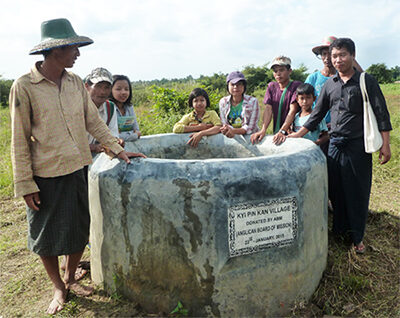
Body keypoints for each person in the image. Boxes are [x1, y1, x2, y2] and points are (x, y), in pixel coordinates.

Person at [9, 18, 145, 315]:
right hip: (45, 173)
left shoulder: (73, 83)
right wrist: (25, 183)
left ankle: (69, 275)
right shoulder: (25, 86)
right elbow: (18, 139)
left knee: (80, 228)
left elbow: (93, 121)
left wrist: (116, 149)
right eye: (74, 48)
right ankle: (58, 285)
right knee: (46, 236)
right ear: (55, 50)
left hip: (78, 167)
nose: (78, 54)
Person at [288, 38, 392, 254]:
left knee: (357, 190)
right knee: (336, 189)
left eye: (342, 55)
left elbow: (381, 112)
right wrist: (297, 134)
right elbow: (316, 115)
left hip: (358, 145)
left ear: (352, 55)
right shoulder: (329, 84)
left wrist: (386, 144)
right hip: (335, 144)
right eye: (334, 56)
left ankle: (357, 237)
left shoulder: (365, 81)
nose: (337, 60)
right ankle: (340, 231)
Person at [250, 56, 302, 145]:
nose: (278, 73)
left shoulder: (296, 86)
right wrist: (263, 130)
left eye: (281, 70)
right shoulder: (271, 87)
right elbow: (268, 109)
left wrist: (283, 131)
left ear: (289, 71)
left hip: (292, 131)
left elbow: (292, 110)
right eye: (275, 71)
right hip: (277, 131)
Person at [85, 67, 124, 153]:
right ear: (87, 87)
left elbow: (112, 134)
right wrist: (91, 147)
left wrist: (117, 142)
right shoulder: (76, 107)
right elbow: (65, 142)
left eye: (106, 87)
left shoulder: (110, 108)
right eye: (98, 86)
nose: (102, 92)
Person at [219, 71, 259, 138]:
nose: (235, 87)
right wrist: (226, 129)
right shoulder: (223, 102)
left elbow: (250, 127)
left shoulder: (252, 101)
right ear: (228, 86)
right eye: (232, 84)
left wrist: (233, 131)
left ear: (244, 86)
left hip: (250, 138)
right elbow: (225, 124)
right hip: (231, 137)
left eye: (239, 84)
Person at [110, 75, 141, 142]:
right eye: (118, 89)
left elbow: (137, 129)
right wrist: (134, 135)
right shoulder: (108, 108)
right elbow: (112, 136)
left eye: (126, 89)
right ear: (110, 90)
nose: (123, 92)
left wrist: (122, 135)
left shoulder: (129, 107)